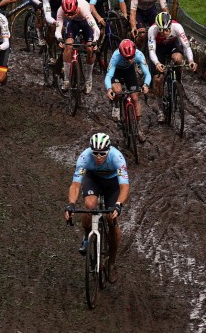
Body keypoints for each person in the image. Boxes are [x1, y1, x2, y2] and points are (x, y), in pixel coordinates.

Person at [64, 132, 129, 284]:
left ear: (108, 151)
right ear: (90, 151)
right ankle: (87, 236)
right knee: (89, 205)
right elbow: (75, 184)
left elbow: (124, 187)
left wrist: (118, 205)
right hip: (93, 180)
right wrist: (71, 204)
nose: (98, 157)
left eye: (102, 154)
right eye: (95, 154)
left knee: (111, 219)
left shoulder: (117, 158)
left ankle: (111, 263)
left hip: (112, 184)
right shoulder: (85, 157)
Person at [148, 12, 196, 122]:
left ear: (170, 26)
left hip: (172, 45)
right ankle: (160, 108)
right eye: (161, 30)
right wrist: (157, 63)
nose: (164, 33)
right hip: (159, 48)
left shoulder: (177, 27)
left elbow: (186, 46)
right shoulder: (152, 30)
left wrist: (191, 60)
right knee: (158, 79)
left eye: (167, 30)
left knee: (178, 59)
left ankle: (178, 81)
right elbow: (151, 50)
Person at [56, 0, 100, 92]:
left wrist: (95, 41)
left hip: (86, 23)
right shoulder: (61, 10)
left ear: (77, 8)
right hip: (72, 24)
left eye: (72, 13)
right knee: (68, 46)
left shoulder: (84, 9)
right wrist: (59, 38)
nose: (70, 16)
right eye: (67, 14)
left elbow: (95, 29)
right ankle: (66, 80)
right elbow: (58, 29)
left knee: (90, 48)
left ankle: (88, 79)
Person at [105, 39, 151, 127]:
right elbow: (108, 76)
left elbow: (147, 73)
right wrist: (109, 89)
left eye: (132, 57)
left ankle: (138, 127)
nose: (130, 60)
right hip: (117, 71)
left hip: (129, 70)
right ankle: (116, 105)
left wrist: (146, 85)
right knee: (117, 92)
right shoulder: (116, 56)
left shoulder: (139, 55)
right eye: (127, 58)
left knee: (135, 97)